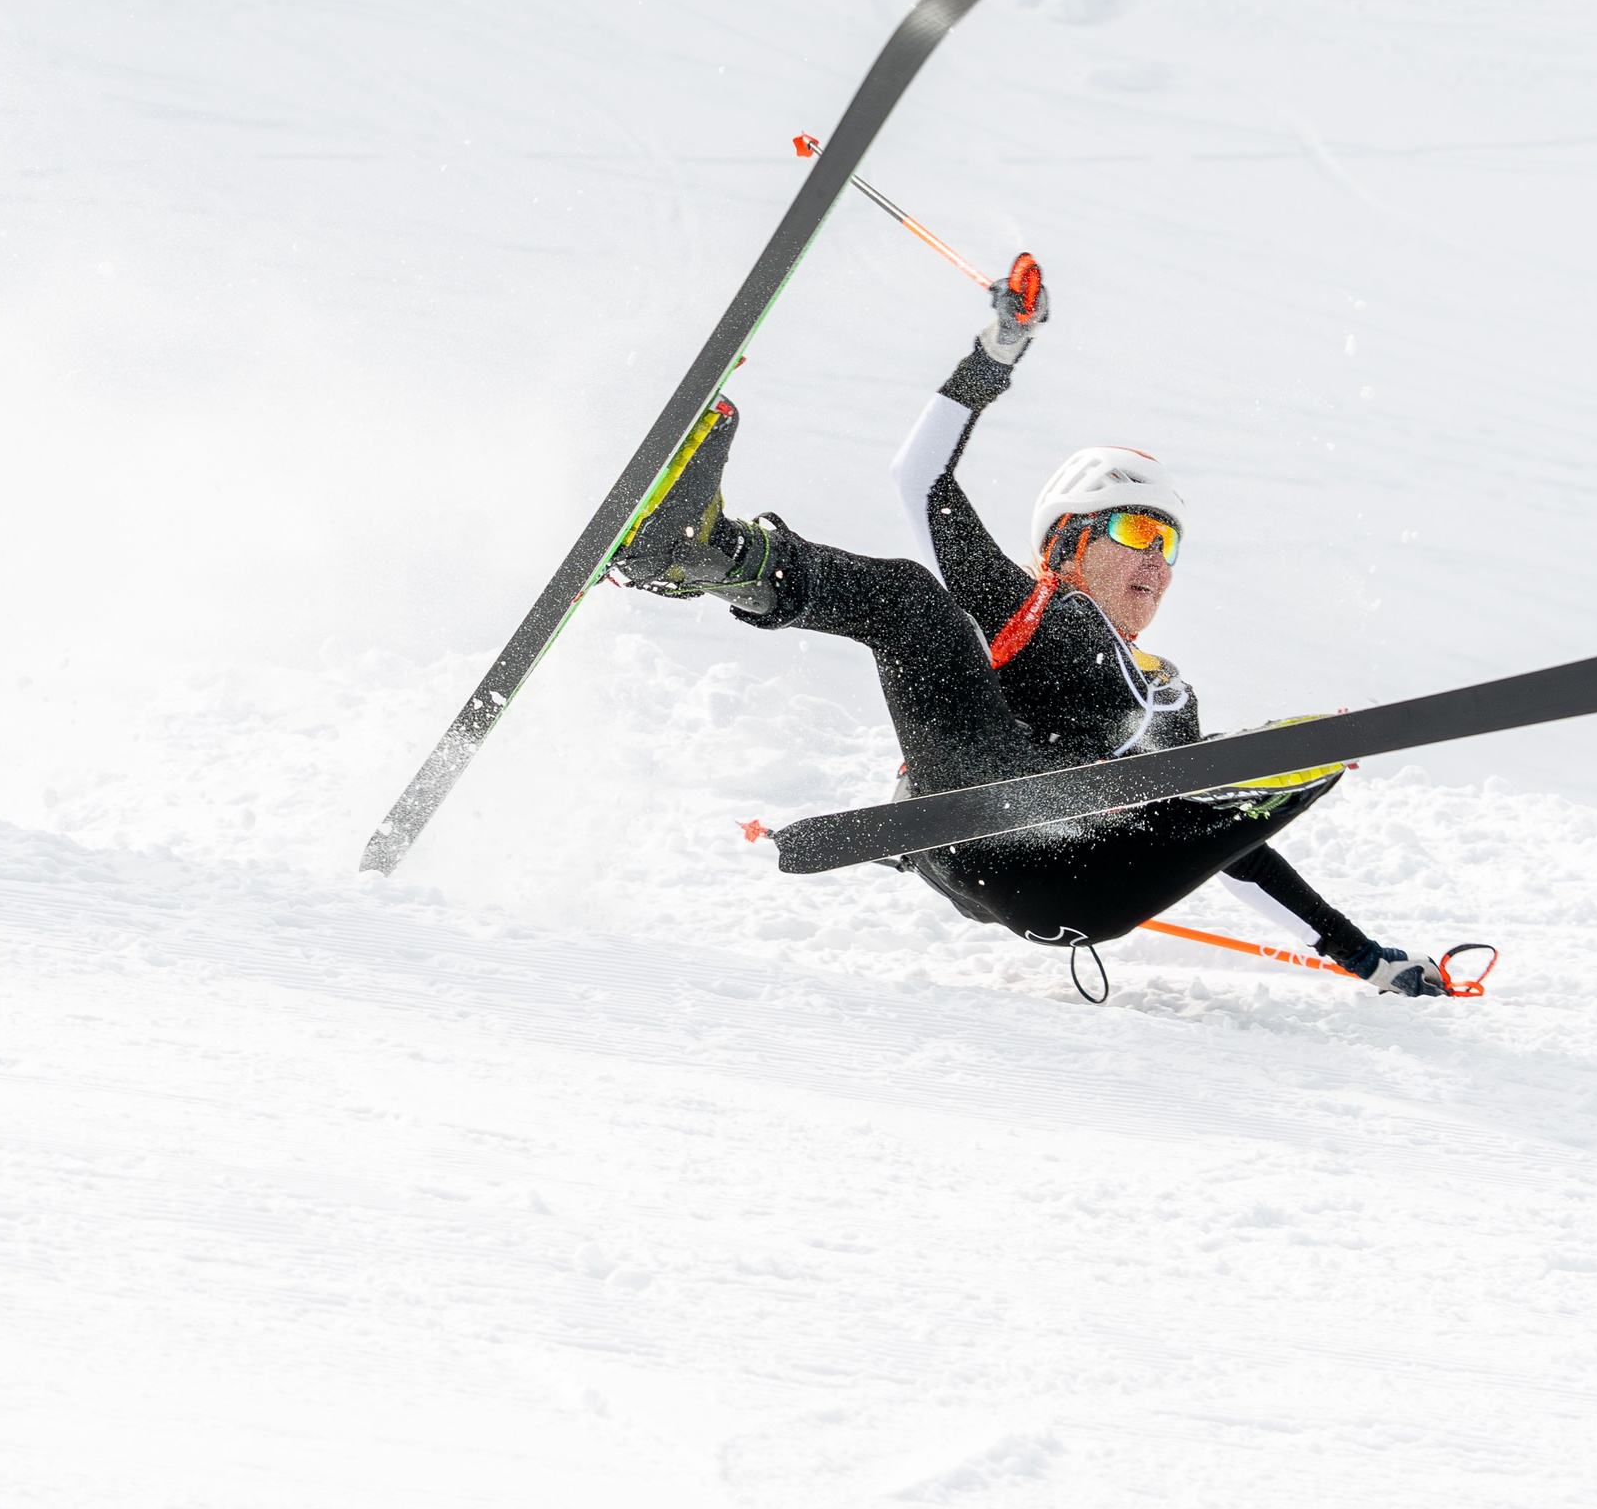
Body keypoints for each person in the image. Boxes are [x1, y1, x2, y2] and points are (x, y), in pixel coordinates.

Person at [615, 255, 1451, 997]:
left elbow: (1235, 861)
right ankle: (698, 554)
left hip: (1104, 873)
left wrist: (1365, 958)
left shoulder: (1167, 694)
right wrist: (997, 353)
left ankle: (1267, 770)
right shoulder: (1035, 609)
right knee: (914, 600)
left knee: (1203, 780)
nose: (1158, 565)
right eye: (1139, 533)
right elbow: (920, 478)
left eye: (1171, 548)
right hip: (992, 817)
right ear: (1068, 542)